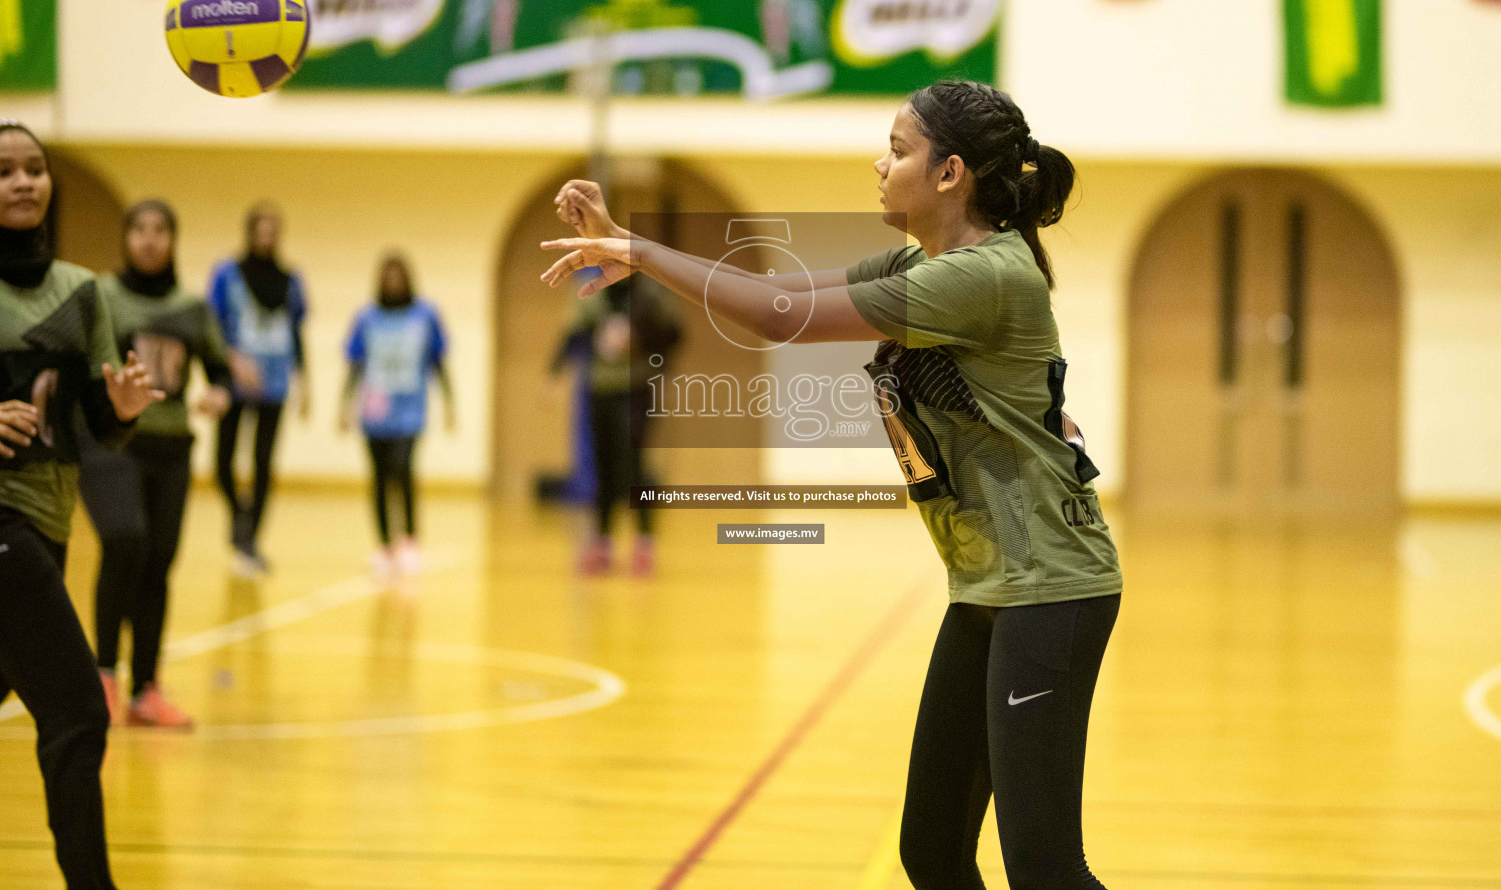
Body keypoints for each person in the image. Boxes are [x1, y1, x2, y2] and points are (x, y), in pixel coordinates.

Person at [542, 81, 1123, 888]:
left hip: (1052, 587)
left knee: (1046, 867)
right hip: (991, 584)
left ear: (950, 173)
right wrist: (629, 244)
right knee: (932, 851)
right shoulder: (924, 262)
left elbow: (777, 319)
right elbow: (777, 297)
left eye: (897, 150)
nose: (878, 164)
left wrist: (636, 252)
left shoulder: (985, 277)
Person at [0, 119, 161, 890]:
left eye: (34, 168)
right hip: (4, 525)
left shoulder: (79, 290)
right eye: (4, 172)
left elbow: (97, 432)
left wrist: (121, 409)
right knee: (77, 715)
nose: (24, 182)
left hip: (48, 518)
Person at [80, 199, 244, 729]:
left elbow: (220, 370)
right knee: (125, 541)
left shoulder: (193, 307)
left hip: (173, 448)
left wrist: (219, 393)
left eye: (160, 231)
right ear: (126, 237)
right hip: (114, 445)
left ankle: (146, 688)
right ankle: (104, 675)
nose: (149, 240)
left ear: (173, 240)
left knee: (158, 565)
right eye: (140, 230)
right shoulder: (104, 296)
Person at [207, 203, 309, 577]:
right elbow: (212, 326)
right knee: (222, 463)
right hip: (236, 381)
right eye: (260, 231)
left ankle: (250, 541)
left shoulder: (290, 280)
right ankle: (241, 515)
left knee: (263, 462)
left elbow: (296, 331)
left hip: (276, 382)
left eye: (273, 232)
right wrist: (232, 361)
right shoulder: (226, 275)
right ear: (249, 232)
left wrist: (304, 380)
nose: (266, 238)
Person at [339, 252, 453, 581]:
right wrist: (344, 406)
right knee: (377, 477)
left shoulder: (424, 315)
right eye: (387, 277)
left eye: (398, 276)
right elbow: (356, 364)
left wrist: (449, 404)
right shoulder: (367, 318)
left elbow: (438, 362)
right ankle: (385, 544)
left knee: (402, 470)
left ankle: (410, 541)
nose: (393, 283)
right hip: (375, 410)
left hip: (410, 410)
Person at [558, 276, 678, 576]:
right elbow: (573, 334)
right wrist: (555, 371)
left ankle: (644, 543)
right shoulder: (592, 294)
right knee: (603, 465)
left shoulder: (650, 295)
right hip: (601, 388)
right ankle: (602, 542)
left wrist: (641, 342)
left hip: (636, 387)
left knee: (635, 465)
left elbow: (674, 334)